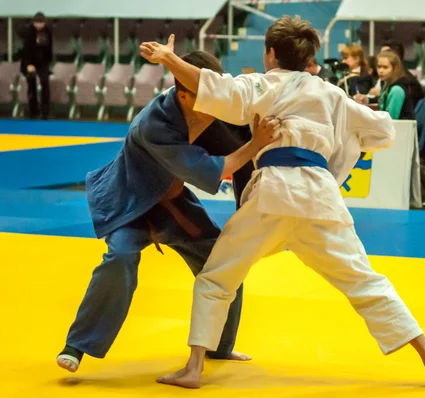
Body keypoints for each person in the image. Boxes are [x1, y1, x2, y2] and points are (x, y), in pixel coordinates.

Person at [140, 16, 425, 389]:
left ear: (271, 54)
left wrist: (169, 59)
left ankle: (193, 368)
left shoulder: (260, 84)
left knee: (216, 277)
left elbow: (214, 87)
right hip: (321, 198)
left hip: (274, 194)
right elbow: (383, 130)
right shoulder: (331, 94)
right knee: (366, 282)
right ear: (308, 56)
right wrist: (343, 136)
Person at [56, 50, 281, 373]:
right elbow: (220, 167)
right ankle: (78, 345)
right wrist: (254, 144)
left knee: (225, 259)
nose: (217, 101)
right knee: (120, 257)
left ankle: (219, 344)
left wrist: (245, 213)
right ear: (184, 94)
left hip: (172, 202)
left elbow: (244, 152)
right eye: (207, 94)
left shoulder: (218, 107)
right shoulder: (154, 125)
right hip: (130, 200)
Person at [20, 11, 53, 119]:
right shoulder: (29, 32)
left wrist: (48, 64)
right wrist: (28, 65)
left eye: (40, 23)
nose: (38, 25)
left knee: (45, 83)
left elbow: (49, 49)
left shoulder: (48, 32)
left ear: (44, 23)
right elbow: (26, 51)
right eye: (36, 23)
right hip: (30, 61)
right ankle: (33, 109)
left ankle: (45, 111)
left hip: (42, 62)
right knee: (32, 82)